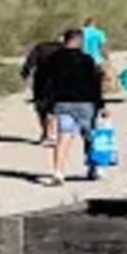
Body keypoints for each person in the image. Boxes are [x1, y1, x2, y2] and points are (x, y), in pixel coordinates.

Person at [35, 28, 107, 187]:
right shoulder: (87, 60)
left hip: (62, 102)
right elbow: (95, 83)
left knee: (64, 136)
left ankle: (58, 172)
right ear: (78, 41)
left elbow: (46, 82)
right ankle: (94, 167)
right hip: (85, 102)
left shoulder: (54, 59)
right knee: (89, 136)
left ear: (65, 40)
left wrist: (46, 103)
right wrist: (101, 104)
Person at [19, 31, 67, 142]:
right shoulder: (64, 50)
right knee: (56, 108)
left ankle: (45, 132)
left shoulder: (40, 47)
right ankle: (54, 132)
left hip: (41, 81)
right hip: (59, 81)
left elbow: (30, 63)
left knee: (41, 108)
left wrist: (25, 75)